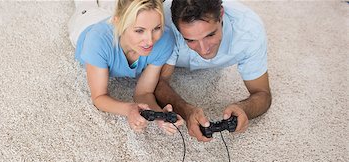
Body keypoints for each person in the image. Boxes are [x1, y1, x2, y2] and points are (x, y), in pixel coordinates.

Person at [155, 0, 272, 142]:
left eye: (210, 35)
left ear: (221, 15)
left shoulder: (249, 30)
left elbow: (263, 94)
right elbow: (157, 84)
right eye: (190, 40)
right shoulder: (163, 25)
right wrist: (186, 111)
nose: (203, 49)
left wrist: (244, 109)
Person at [68, 0, 184, 134]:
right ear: (117, 22)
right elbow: (99, 97)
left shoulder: (164, 40)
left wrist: (159, 115)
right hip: (87, 21)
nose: (150, 40)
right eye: (139, 31)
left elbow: (144, 93)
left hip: (122, 19)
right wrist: (129, 109)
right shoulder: (96, 42)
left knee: (120, 7)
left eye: (157, 28)